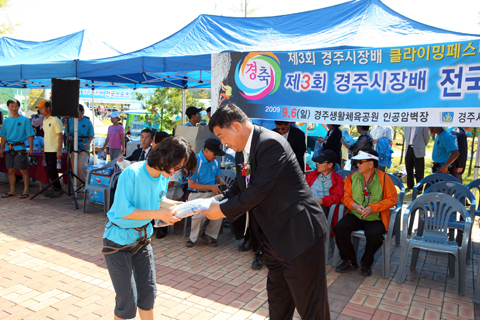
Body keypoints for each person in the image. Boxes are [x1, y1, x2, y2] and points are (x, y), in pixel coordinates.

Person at [203, 104, 330, 320]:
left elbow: (258, 190)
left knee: (311, 305)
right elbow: (239, 187)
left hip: (299, 234)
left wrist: (222, 210)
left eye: (221, 135)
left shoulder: (271, 143)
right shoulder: (242, 151)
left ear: (236, 126)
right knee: (278, 300)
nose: (223, 143)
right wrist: (210, 203)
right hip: (273, 237)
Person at [102, 136, 196, 320]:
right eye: (177, 167)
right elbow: (124, 211)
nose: (177, 171)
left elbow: (158, 201)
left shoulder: (161, 176)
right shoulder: (132, 173)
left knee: (148, 293)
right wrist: (158, 214)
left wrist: (182, 206)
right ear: (164, 159)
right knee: (126, 301)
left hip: (142, 241)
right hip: (117, 243)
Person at [334, 149, 397, 276]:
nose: (357, 165)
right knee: (340, 228)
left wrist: (373, 207)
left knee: (375, 235)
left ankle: (366, 263)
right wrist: (355, 206)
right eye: (357, 162)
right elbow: (345, 197)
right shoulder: (353, 177)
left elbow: (392, 199)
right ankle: (349, 260)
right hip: (355, 214)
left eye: (360, 162)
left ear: (371, 164)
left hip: (375, 217)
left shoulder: (384, 178)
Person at [186, 138, 226, 248]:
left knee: (221, 210)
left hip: (212, 193)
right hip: (196, 194)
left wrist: (221, 181)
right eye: (215, 153)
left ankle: (209, 235)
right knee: (200, 214)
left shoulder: (215, 160)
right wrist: (211, 187)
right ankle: (192, 238)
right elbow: (191, 185)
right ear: (206, 151)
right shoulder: (195, 161)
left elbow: (217, 175)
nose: (216, 156)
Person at [0, 99, 34, 199]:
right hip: (9, 148)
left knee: (23, 170)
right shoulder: (6, 121)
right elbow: (3, 136)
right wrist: (1, 148)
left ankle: (26, 190)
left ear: (19, 107)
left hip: (20, 148)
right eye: (11, 106)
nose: (14, 108)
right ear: (8, 107)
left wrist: (31, 148)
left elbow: (30, 135)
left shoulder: (25, 120)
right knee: (10, 170)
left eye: (15, 106)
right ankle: (12, 190)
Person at [306, 150, 344, 218]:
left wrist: (322, 201)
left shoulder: (338, 179)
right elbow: (302, 190)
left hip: (322, 208)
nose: (318, 164)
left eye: (320, 162)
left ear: (330, 165)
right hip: (307, 204)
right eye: (318, 162)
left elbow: (338, 197)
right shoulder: (311, 175)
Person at [37, 100, 64, 198]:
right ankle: (55, 187)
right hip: (47, 149)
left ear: (48, 108)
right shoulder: (44, 120)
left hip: (54, 150)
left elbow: (60, 136)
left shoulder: (55, 120)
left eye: (42, 108)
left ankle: (58, 188)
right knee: (49, 170)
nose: (40, 110)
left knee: (52, 170)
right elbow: (47, 135)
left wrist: (59, 150)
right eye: (39, 108)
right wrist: (44, 149)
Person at [65, 104, 94, 189]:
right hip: (73, 146)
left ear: (82, 112)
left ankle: (85, 184)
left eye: (78, 111)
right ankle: (77, 185)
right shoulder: (70, 121)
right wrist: (68, 137)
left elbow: (91, 135)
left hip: (84, 146)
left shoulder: (87, 122)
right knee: (75, 167)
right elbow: (66, 133)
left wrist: (88, 143)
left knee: (81, 165)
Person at [404, 126, 430, 191]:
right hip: (408, 149)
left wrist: (421, 146)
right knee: (408, 169)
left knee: (419, 170)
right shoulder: (407, 126)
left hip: (418, 150)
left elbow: (426, 138)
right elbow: (405, 136)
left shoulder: (423, 127)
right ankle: (410, 185)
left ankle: (419, 188)